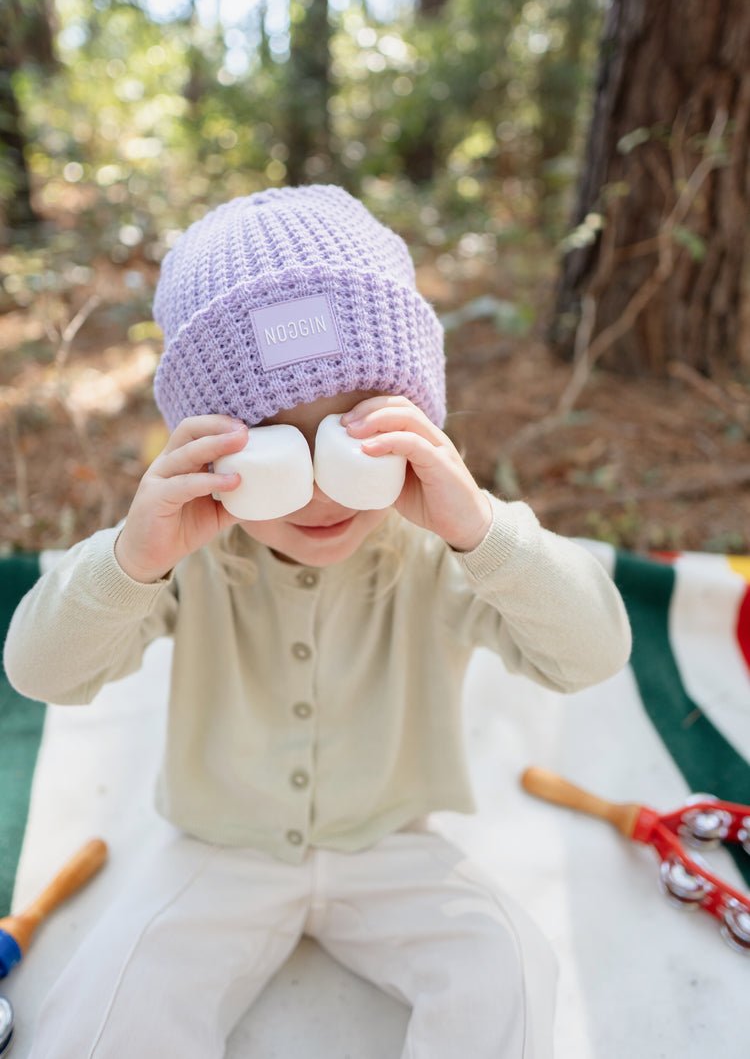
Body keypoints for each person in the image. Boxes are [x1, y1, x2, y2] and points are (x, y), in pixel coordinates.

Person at [4, 185, 631, 1059]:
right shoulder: (192, 558)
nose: (321, 486)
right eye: (273, 446)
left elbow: (594, 653)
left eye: (351, 438)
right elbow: (40, 672)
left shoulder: (438, 552)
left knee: (513, 966)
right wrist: (132, 557)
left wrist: (480, 527)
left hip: (393, 851)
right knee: (106, 1002)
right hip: (221, 849)